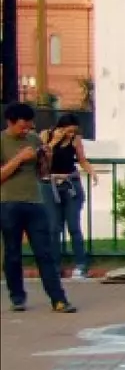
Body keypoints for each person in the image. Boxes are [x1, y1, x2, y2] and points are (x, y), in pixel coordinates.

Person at [1, 102, 76, 314]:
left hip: (35, 202)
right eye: (22, 127)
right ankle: (17, 297)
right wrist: (18, 159)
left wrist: (46, 157)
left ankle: (58, 299)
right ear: (10, 122)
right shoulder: (2, 141)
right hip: (8, 203)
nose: (26, 130)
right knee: (12, 253)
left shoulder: (33, 139)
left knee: (45, 252)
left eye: (28, 126)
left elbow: (42, 173)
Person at [42, 113, 96, 279]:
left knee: (74, 226)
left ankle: (81, 265)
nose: (71, 134)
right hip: (50, 184)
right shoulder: (46, 135)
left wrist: (92, 172)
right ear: (60, 127)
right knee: (53, 228)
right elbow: (42, 158)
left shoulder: (75, 140)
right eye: (68, 131)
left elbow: (81, 159)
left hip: (70, 183)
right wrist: (54, 142)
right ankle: (55, 266)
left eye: (74, 132)